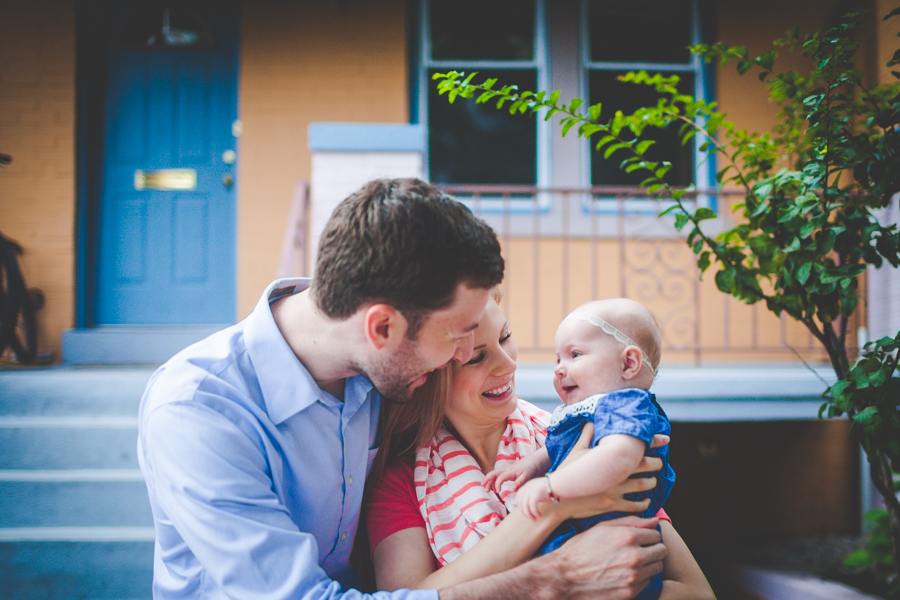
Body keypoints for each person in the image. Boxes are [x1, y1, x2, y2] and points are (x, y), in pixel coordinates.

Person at [137, 178, 668, 600]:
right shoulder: (199, 413)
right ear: (383, 328)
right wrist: (551, 579)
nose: (464, 358)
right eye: (460, 340)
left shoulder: (385, 384)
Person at [363, 293, 714, 600]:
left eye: (506, 337)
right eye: (476, 357)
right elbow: (403, 598)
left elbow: (696, 592)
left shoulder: (578, 436)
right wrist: (551, 511)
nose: (508, 363)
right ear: (430, 374)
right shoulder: (403, 480)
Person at [484, 298, 676, 599]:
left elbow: (616, 457)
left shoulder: (627, 406)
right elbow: (560, 446)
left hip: (617, 550)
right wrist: (529, 466)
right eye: (557, 359)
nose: (560, 369)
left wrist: (551, 485)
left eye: (575, 355)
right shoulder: (588, 412)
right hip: (585, 537)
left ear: (628, 363)